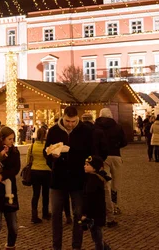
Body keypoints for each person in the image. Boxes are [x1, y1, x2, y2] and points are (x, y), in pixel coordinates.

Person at [45, 106, 93, 250]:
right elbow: (46, 152)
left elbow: (91, 152)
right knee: (56, 214)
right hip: (58, 179)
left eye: (73, 121)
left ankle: (76, 246)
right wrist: (52, 157)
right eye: (67, 121)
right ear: (63, 116)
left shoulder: (85, 131)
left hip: (78, 179)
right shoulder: (53, 131)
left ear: (77, 118)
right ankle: (56, 246)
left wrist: (90, 165)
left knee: (78, 213)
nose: (70, 124)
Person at [94, 107, 126, 221]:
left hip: (103, 158)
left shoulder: (96, 127)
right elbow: (124, 142)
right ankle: (116, 205)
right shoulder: (117, 126)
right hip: (116, 156)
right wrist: (116, 146)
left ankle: (108, 206)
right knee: (116, 183)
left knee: (105, 183)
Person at [82, 155, 111, 250]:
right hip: (98, 213)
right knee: (97, 235)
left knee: (97, 236)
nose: (84, 166)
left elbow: (89, 198)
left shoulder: (92, 181)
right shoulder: (96, 178)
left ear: (94, 168)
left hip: (94, 214)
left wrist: (85, 213)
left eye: (87, 165)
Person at [28, 127, 51, 223]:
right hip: (46, 171)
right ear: (45, 135)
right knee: (45, 194)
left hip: (35, 171)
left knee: (35, 194)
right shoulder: (48, 146)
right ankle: (45, 213)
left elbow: (28, 159)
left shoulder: (32, 145)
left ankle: (34, 215)